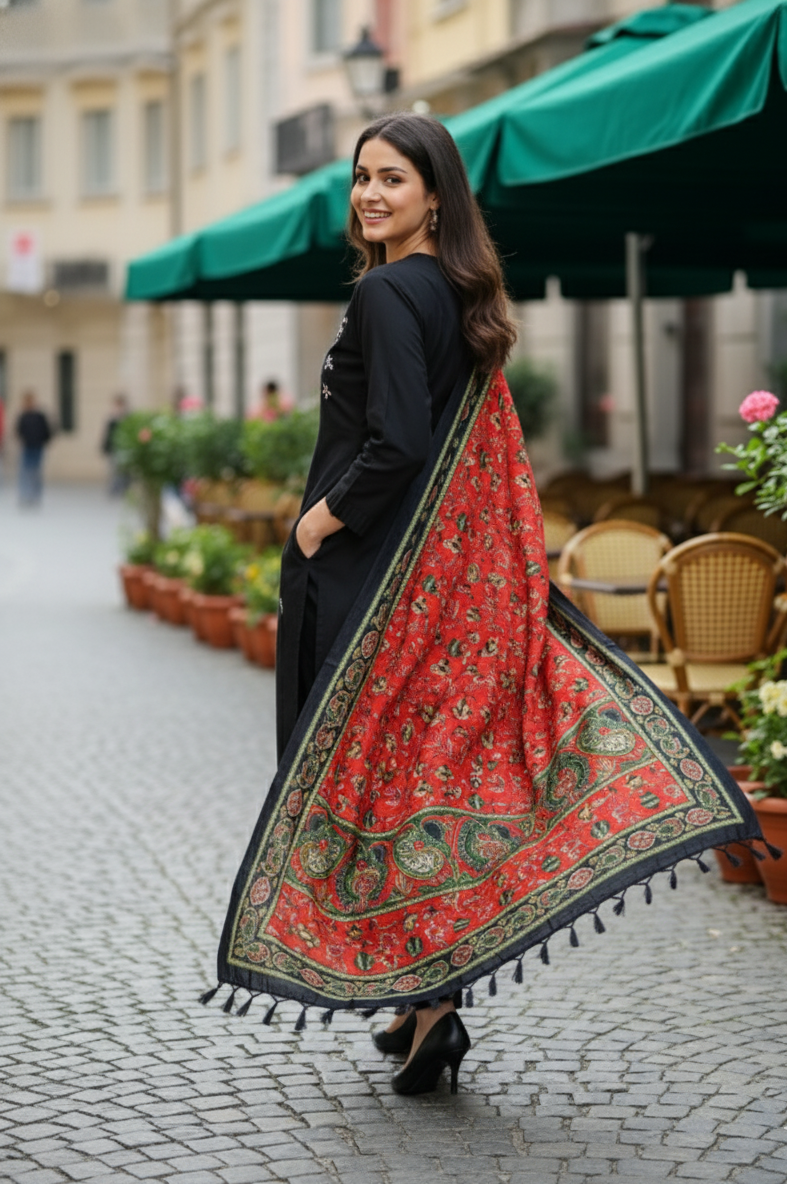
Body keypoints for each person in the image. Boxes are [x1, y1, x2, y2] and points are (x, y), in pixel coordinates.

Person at [209, 114, 762, 1096]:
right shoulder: (457, 292)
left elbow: (398, 445)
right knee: (416, 784)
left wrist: (318, 523)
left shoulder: (386, 291)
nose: (369, 194)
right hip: (432, 589)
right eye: (361, 177)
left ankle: (429, 1004)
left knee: (363, 784)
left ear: (435, 196)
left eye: (392, 178)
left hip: (373, 579)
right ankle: (424, 1002)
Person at [15, 391, 52, 505]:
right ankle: (25, 494)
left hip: (37, 447)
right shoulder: (23, 416)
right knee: (25, 471)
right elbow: (18, 431)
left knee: (36, 471)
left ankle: (35, 495)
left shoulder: (39, 416)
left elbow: (47, 430)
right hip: (27, 447)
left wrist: (44, 441)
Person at [101, 393, 129, 495]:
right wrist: (105, 448)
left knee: (122, 470)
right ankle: (114, 489)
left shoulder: (126, 419)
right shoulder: (112, 419)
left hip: (123, 448)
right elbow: (108, 435)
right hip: (114, 449)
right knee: (114, 469)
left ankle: (122, 489)